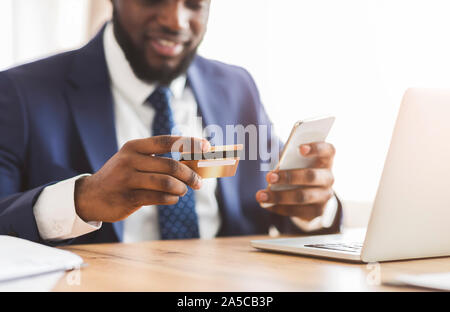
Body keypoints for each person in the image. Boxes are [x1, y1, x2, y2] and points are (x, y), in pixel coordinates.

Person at [0, 0, 341, 245]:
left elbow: (279, 203)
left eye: (193, 3)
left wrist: (311, 207)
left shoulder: (237, 87)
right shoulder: (20, 93)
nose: (175, 20)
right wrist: (83, 200)